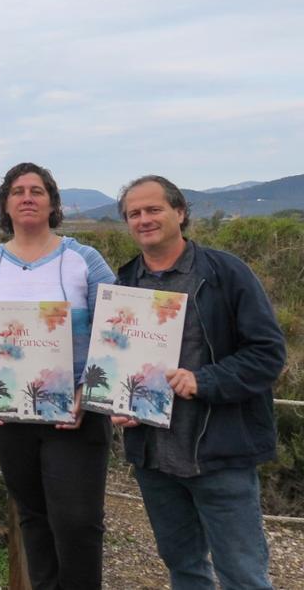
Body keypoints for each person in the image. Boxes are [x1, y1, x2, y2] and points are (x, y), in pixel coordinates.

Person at [112, 176, 286, 589]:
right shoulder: (126, 283)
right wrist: (120, 402)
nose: (144, 219)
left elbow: (267, 354)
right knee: (185, 570)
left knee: (243, 575)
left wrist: (203, 380)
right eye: (134, 213)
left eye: (154, 209)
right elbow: (120, 360)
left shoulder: (226, 273)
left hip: (220, 454)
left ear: (180, 212)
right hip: (154, 459)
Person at [0, 162, 114, 590]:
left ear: (52, 203)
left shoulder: (84, 260)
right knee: (34, 516)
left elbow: (114, 327)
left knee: (78, 522)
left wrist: (88, 391)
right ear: (5, 205)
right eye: (18, 191)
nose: (27, 197)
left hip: (75, 415)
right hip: (9, 416)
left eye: (37, 191)